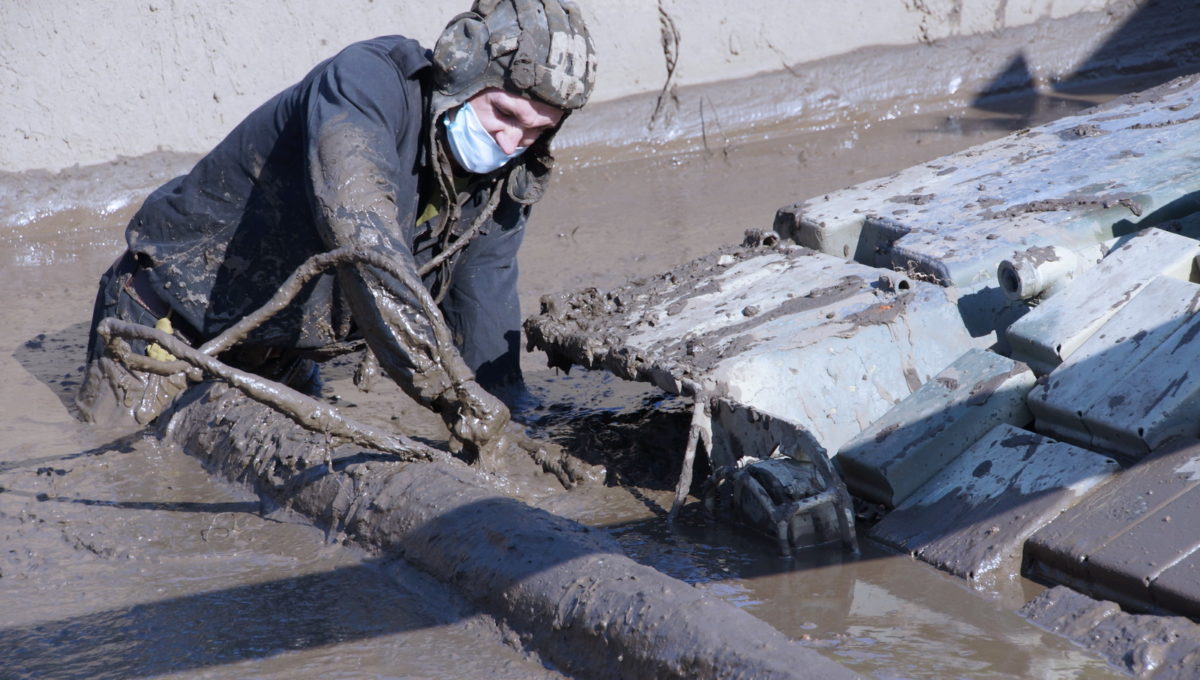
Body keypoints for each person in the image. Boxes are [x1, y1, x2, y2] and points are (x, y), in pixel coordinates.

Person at [76, 0, 596, 459]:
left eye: (536, 130)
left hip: (281, 354)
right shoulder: (365, 83)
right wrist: (447, 391)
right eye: (504, 113)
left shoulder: (512, 170)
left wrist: (508, 418)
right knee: (131, 463)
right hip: (170, 323)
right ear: (462, 69)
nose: (510, 142)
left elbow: (485, 290)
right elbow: (361, 236)